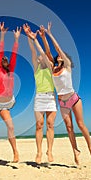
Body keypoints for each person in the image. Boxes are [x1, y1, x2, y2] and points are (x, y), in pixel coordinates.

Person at [41, 22, 91, 165]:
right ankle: (75, 151)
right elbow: (47, 52)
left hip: (73, 98)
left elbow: (57, 48)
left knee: (80, 124)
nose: (59, 55)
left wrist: (49, 33)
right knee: (69, 127)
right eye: (58, 56)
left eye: (61, 55)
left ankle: (90, 146)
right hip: (63, 102)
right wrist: (42, 37)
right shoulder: (52, 68)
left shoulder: (67, 66)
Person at [23, 23, 57, 164]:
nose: (39, 58)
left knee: (50, 124)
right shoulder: (37, 68)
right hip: (40, 98)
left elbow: (44, 53)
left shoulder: (50, 67)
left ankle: (49, 150)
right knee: (39, 125)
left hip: (50, 97)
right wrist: (29, 37)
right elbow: (33, 52)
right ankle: (39, 152)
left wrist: (38, 39)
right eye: (38, 58)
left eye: (40, 57)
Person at [0, 22, 21, 163]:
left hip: (11, 100)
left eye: (6, 59)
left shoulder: (11, 70)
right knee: (11, 126)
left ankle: (15, 152)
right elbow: (1, 51)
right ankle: (15, 153)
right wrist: (2, 34)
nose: (4, 59)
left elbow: (14, 55)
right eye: (2, 59)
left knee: (11, 125)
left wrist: (16, 39)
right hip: (2, 105)